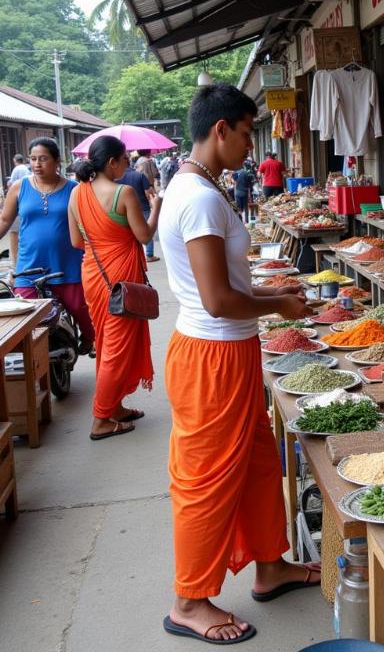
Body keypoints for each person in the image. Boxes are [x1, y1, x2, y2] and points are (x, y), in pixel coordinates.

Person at [159, 83, 318, 644]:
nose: (252, 146)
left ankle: (269, 565)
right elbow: (218, 300)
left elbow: (227, 285)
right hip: (213, 354)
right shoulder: (199, 198)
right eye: (249, 133)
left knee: (254, 460)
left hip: (231, 349)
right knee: (206, 478)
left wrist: (264, 292)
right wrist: (280, 303)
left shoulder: (199, 186)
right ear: (221, 129)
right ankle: (189, 600)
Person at [67, 136, 161, 441]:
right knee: (115, 350)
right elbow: (144, 235)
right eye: (124, 160)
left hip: (94, 275)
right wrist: (156, 206)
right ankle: (100, 418)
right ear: (111, 163)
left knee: (108, 343)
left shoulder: (76, 194)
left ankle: (116, 407)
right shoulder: (124, 193)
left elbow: (76, 242)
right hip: (120, 276)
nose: (128, 165)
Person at [0, 138, 94, 353]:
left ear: (57, 161)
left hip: (67, 265)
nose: (37, 164)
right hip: (28, 266)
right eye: (33, 159)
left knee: (81, 310)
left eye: (43, 159)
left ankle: (89, 338)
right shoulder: (19, 187)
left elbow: (87, 224)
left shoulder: (74, 189)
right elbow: (5, 220)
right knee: (26, 317)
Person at [117, 155, 158, 262]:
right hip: (143, 207)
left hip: (122, 209)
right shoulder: (139, 176)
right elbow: (148, 194)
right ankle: (149, 255)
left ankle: (130, 255)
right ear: (129, 163)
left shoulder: (115, 178)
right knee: (147, 230)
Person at [6, 153, 30, 264]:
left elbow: (11, 184)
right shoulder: (26, 168)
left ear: (15, 160)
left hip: (18, 202)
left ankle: (15, 261)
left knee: (14, 232)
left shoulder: (17, 169)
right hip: (25, 202)